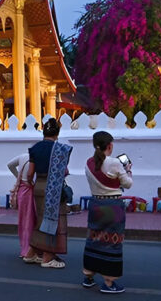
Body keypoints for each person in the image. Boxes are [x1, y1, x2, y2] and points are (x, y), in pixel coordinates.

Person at [81, 131, 133, 294]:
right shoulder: (115, 163)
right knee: (111, 241)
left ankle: (88, 276)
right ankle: (109, 282)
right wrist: (128, 171)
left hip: (95, 204)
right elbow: (128, 184)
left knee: (94, 238)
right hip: (112, 206)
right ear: (110, 146)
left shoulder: (88, 163)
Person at [23, 118, 72, 269]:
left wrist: (32, 183)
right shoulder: (61, 149)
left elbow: (30, 173)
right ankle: (47, 257)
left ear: (43, 132)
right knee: (53, 221)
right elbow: (64, 172)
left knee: (41, 220)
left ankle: (31, 253)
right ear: (57, 133)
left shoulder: (35, 148)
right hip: (54, 188)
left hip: (39, 186)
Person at [8, 152, 37, 258]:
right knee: (33, 221)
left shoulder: (22, 156)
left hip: (22, 191)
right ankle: (31, 249)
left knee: (24, 221)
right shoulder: (37, 158)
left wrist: (18, 177)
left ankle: (24, 248)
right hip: (32, 191)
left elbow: (9, 164)